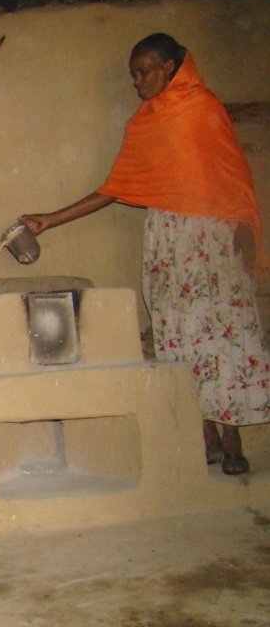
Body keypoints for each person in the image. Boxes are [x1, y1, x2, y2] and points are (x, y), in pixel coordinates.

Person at [19, 33, 269, 476]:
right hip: (168, 244)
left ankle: (233, 437)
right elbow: (115, 188)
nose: (137, 81)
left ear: (171, 68)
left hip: (211, 241)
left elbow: (233, 177)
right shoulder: (143, 124)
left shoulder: (203, 108)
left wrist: (247, 231)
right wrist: (50, 220)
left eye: (144, 71)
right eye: (133, 74)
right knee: (180, 334)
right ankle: (205, 433)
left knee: (225, 334)